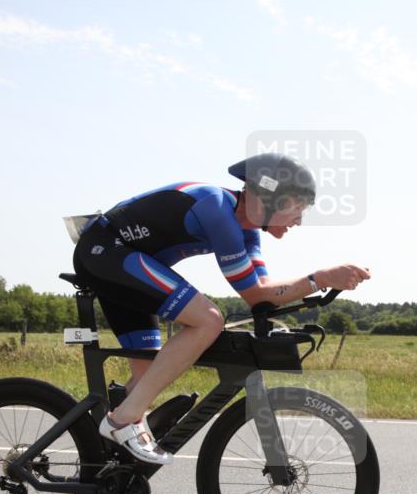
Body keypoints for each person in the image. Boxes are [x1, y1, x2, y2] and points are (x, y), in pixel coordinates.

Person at [72, 153, 371, 465]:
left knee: (147, 378)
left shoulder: (247, 230)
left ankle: (102, 463)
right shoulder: (216, 210)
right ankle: (121, 422)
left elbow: (265, 294)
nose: (299, 219)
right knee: (208, 321)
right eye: (297, 208)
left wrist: (319, 283)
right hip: (106, 253)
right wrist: (319, 278)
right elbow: (255, 295)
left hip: (125, 263)